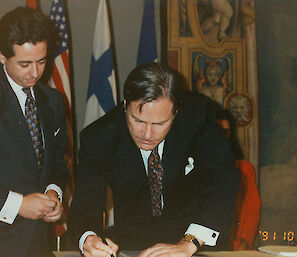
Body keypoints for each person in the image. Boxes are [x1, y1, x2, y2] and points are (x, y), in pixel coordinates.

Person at [68, 62, 240, 257]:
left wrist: (188, 244)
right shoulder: (98, 139)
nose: (147, 134)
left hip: (196, 242)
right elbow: (84, 208)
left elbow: (223, 180)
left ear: (175, 112)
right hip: (135, 246)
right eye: (138, 120)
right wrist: (89, 239)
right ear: (125, 106)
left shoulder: (197, 116)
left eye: (160, 123)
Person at [0, 7, 69, 257]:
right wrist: (18, 205)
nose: (35, 73)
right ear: (1, 56)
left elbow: (58, 163)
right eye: (24, 63)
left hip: (40, 242)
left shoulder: (53, 101)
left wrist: (54, 192)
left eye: (41, 61)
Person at [215, 104, 261, 250]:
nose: (222, 137)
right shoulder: (194, 167)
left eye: (226, 132)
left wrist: (244, 242)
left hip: (236, 246)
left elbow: (252, 211)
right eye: (218, 132)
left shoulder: (245, 170)